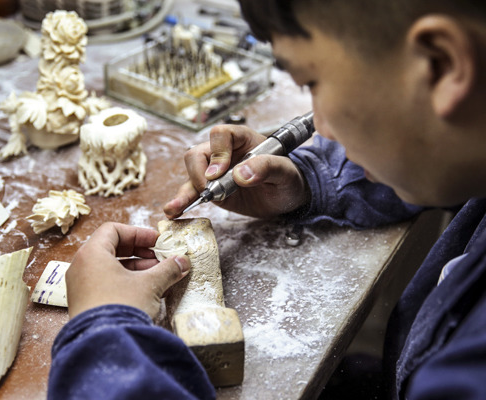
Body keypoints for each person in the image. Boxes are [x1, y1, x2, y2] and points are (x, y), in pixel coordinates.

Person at [48, 0, 486, 398]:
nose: (322, 128)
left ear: (441, 64)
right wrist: (310, 179)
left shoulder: (468, 368)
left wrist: (105, 336)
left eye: (312, 81)